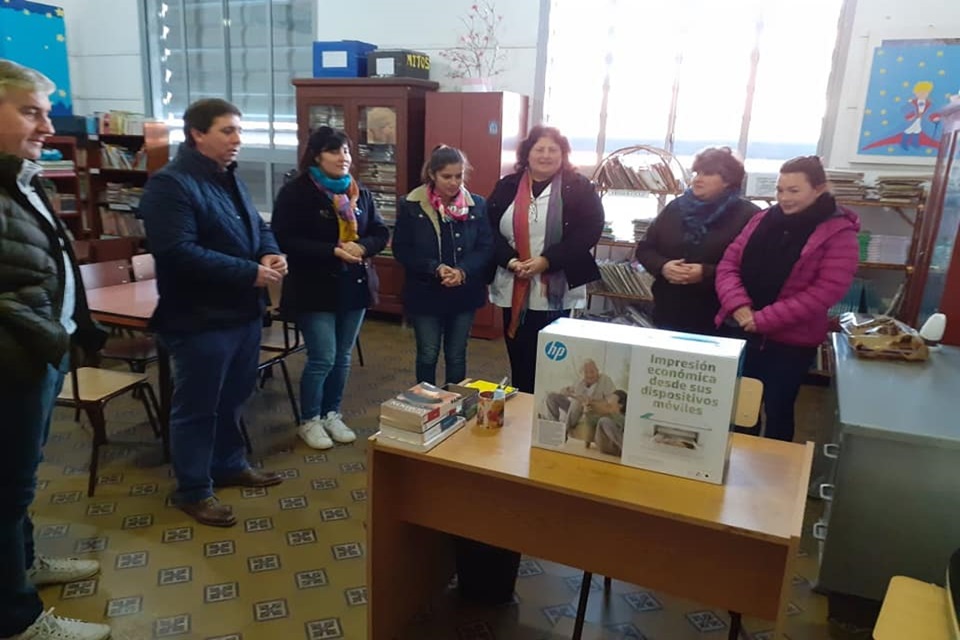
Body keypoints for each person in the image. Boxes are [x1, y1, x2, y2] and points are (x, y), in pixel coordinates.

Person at [0, 59, 111, 640]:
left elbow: (50, 264)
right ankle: (17, 619)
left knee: (20, 481)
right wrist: (40, 333)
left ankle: (23, 567)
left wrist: (72, 329)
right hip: (12, 362)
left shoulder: (23, 179)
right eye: (30, 112)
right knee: (5, 490)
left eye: (45, 112)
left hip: (40, 354)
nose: (47, 126)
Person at [139, 98, 287, 528]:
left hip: (242, 314)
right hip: (198, 318)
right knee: (198, 407)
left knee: (234, 398)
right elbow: (177, 251)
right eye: (227, 130)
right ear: (197, 134)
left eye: (239, 130)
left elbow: (258, 226)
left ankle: (229, 464)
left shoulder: (229, 177)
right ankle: (193, 489)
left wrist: (270, 252)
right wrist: (249, 272)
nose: (237, 139)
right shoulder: (170, 185)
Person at [715, 155, 859, 442]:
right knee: (740, 409)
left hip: (790, 343)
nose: (784, 198)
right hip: (741, 329)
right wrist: (738, 306)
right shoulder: (762, 219)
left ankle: (775, 467)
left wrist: (763, 320)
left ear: (818, 189)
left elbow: (826, 290)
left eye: (794, 190)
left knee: (778, 410)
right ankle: (737, 462)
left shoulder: (839, 233)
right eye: (780, 190)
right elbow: (728, 264)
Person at [272, 126, 389, 450]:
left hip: (354, 286)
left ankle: (331, 413)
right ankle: (309, 419)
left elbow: (380, 232)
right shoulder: (296, 192)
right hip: (314, 287)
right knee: (323, 357)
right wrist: (331, 250)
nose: (343, 157)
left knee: (342, 357)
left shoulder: (357, 191)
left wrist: (363, 246)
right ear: (317, 155)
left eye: (346, 151)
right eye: (335, 151)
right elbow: (283, 238)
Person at [487, 125, 605, 392]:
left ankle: (546, 407)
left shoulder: (580, 188)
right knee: (519, 354)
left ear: (563, 155)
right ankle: (522, 400)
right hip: (513, 280)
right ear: (527, 154)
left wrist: (547, 261)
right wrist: (510, 260)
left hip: (557, 286)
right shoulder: (507, 186)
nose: (546, 155)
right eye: (539, 149)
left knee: (552, 357)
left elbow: (589, 231)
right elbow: (488, 229)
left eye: (553, 150)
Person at [392, 145, 493, 385]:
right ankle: (426, 402)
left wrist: (462, 271)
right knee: (428, 353)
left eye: (459, 176)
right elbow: (402, 249)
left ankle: (455, 402)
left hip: (463, 291)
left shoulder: (477, 204)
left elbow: (485, 247)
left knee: (456, 355)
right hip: (425, 292)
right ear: (432, 174)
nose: (453, 183)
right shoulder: (411, 204)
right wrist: (435, 268)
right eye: (446, 176)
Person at [635, 147, 759, 335]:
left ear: (728, 180)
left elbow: (754, 268)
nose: (697, 179)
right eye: (696, 173)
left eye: (707, 174)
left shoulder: (749, 215)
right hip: (669, 310)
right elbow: (645, 249)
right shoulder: (676, 207)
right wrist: (663, 266)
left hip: (721, 318)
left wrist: (706, 273)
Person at [541, 359, 615, 433]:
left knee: (577, 402)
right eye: (586, 372)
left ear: (597, 371)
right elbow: (571, 392)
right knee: (550, 397)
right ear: (581, 373)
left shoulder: (605, 380)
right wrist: (565, 391)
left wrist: (591, 403)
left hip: (592, 411)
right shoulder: (579, 381)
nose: (589, 375)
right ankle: (554, 427)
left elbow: (611, 403)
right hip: (575, 409)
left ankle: (564, 431)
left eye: (592, 371)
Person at [592, 390, 629, 456]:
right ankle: (626, 449)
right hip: (606, 445)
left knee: (604, 421)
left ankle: (626, 449)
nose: (609, 400)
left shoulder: (623, 418)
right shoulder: (607, 414)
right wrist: (586, 412)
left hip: (618, 446)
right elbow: (593, 421)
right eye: (610, 397)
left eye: (612, 398)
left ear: (621, 405)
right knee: (602, 421)